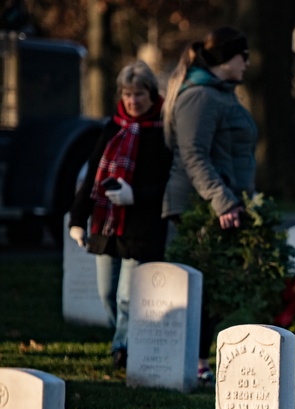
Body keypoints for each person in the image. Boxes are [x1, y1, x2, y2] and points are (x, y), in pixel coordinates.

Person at [161, 26, 256, 384]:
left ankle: (198, 360)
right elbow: (193, 155)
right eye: (241, 55)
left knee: (216, 288)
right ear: (224, 59)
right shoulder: (200, 97)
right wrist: (222, 201)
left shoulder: (222, 95)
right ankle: (194, 362)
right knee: (203, 288)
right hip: (198, 208)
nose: (247, 62)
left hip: (223, 206)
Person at [69, 60, 172, 371]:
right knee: (108, 293)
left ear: (152, 94)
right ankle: (125, 338)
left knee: (129, 295)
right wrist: (77, 219)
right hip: (108, 223)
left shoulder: (164, 130)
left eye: (139, 94)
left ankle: (122, 348)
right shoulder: (113, 126)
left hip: (143, 226)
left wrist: (136, 196)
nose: (132, 101)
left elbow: (168, 181)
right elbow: (92, 176)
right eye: (127, 94)